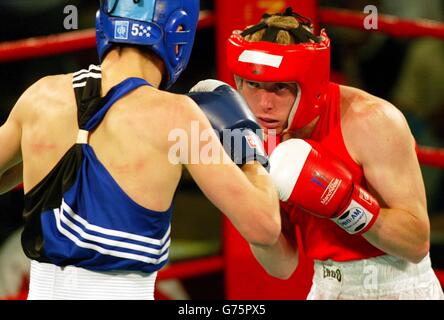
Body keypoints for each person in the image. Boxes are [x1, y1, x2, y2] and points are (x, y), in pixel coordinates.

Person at [0, 0, 281, 300]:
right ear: (179, 31)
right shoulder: (177, 117)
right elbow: (264, 227)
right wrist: (250, 148)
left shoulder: (39, 97)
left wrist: (35, 159)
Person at [225, 7, 444, 299]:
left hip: (398, 287)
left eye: (280, 88)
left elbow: (416, 244)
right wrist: (244, 206)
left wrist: (345, 203)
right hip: (326, 286)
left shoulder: (372, 120)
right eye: (253, 84)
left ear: (309, 83)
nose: (264, 103)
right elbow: (283, 265)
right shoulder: (254, 138)